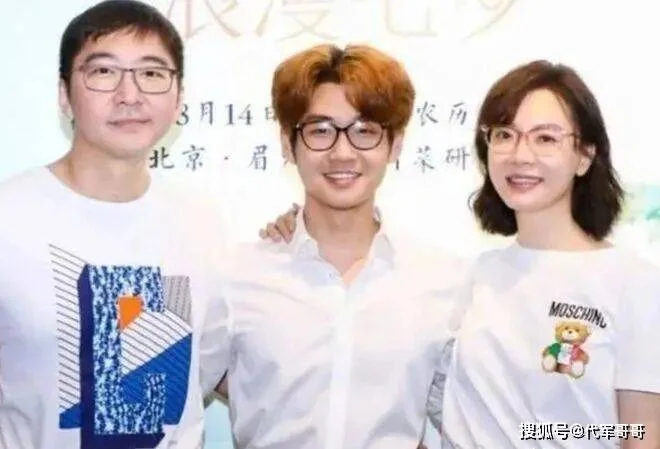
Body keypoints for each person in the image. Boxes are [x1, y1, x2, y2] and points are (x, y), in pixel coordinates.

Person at [260, 60, 660, 448]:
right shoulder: (463, 278)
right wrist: (300, 233)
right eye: (504, 135)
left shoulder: (632, 282)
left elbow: (641, 434)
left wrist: (543, 433)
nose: (521, 155)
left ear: (585, 155)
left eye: (546, 139)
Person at [213, 43, 466, 449]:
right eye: (320, 131)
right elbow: (175, 400)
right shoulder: (236, 276)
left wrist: (583, 432)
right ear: (287, 142)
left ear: (395, 144)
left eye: (365, 131)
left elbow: (485, 423)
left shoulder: (443, 281)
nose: (342, 153)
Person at [0, 1, 229, 448]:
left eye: (152, 73)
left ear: (178, 96)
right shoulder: (9, 216)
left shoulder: (201, 220)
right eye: (104, 72)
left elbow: (211, 370)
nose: (130, 94)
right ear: (64, 93)